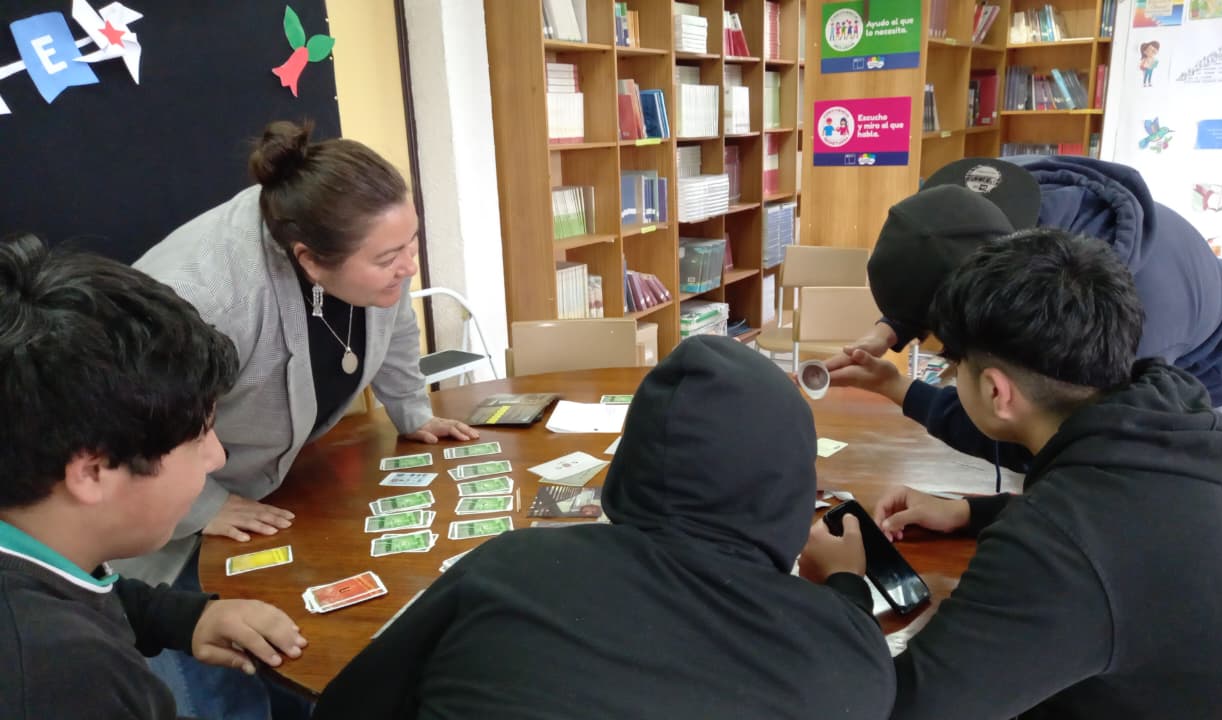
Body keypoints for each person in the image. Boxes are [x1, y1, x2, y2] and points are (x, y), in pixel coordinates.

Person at [802, 228, 1222, 719]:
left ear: (996, 392)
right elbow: (1134, 529)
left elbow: (902, 710)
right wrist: (971, 512)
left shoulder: (1054, 548)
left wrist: (843, 587)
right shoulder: (1184, 421)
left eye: (954, 367)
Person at [311, 336, 895, 720]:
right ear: (792, 487)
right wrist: (846, 587)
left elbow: (345, 708)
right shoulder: (843, 655)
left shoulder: (509, 565)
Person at [114, 119, 477, 718]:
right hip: (162, 517)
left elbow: (395, 318)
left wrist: (412, 409)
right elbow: (128, 421)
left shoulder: (357, 247)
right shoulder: (204, 294)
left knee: (293, 659)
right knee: (221, 687)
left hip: (269, 485)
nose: (410, 266)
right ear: (309, 259)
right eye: (389, 257)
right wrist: (204, 503)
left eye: (412, 243)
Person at [0, 234, 308, 718]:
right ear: (93, 472)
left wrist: (189, 617)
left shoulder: (37, 547)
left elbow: (94, 589)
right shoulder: (62, 677)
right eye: (198, 437)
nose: (216, 457)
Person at [828, 156, 1222, 461]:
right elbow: (943, 246)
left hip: (1208, 395)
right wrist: (892, 328)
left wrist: (900, 390)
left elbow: (1054, 446)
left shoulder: (1106, 325)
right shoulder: (998, 197)